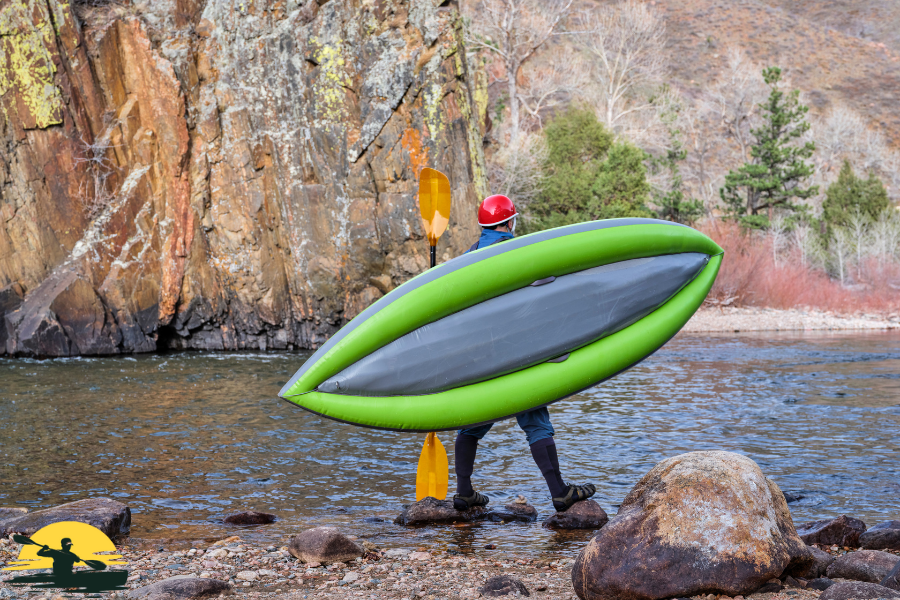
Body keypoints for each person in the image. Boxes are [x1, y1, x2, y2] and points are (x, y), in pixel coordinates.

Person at [453, 194, 597, 513]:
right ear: (509, 222)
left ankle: (464, 492)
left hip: (479, 356)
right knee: (535, 418)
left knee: (473, 421)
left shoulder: (466, 259)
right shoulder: (518, 251)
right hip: (515, 352)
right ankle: (559, 492)